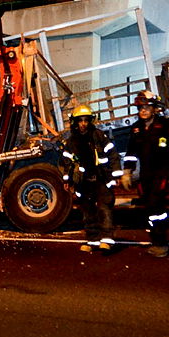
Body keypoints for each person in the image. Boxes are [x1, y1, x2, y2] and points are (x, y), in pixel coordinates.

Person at [121, 91, 169, 257]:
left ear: (154, 108)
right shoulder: (136, 128)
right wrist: (127, 171)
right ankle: (157, 240)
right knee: (149, 208)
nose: (143, 110)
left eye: (147, 107)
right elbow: (131, 152)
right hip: (146, 175)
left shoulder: (165, 125)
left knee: (157, 207)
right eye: (140, 107)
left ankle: (161, 244)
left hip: (163, 173)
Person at [62, 105, 123, 253]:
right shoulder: (71, 142)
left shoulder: (99, 136)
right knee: (88, 210)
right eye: (80, 120)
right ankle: (93, 240)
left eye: (86, 120)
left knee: (104, 207)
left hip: (101, 178)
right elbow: (66, 162)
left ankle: (107, 240)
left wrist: (116, 175)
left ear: (90, 121)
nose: (83, 123)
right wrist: (68, 180)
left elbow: (113, 155)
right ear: (75, 122)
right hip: (83, 182)